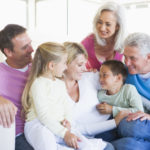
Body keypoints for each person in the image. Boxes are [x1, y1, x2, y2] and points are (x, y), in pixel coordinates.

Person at [22, 42, 107, 150]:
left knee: (87, 146)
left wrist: (68, 122)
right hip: (38, 125)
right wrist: (64, 133)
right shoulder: (38, 84)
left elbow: (66, 107)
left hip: (58, 125)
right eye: (64, 63)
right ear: (52, 65)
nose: (65, 67)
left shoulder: (59, 84)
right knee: (48, 143)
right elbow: (43, 115)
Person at [63, 42, 130, 150]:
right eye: (80, 65)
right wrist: (114, 122)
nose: (85, 68)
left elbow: (125, 91)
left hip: (114, 121)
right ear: (65, 63)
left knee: (136, 132)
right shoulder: (54, 92)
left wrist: (114, 110)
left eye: (85, 64)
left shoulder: (89, 77)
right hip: (94, 135)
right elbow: (74, 129)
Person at [112, 33, 150, 150]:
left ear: (148, 57)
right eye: (125, 57)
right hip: (129, 120)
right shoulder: (123, 72)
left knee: (134, 127)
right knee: (129, 143)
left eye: (132, 58)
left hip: (141, 124)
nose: (127, 63)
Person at [0, 24, 34, 150]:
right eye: (25, 47)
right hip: (17, 135)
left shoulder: (39, 67)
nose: (32, 49)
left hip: (41, 128)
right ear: (8, 52)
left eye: (30, 43)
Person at [81, 2, 126, 70]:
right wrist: (85, 70)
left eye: (108, 24)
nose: (102, 28)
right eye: (100, 22)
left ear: (117, 26)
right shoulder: (88, 41)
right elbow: (73, 64)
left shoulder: (125, 44)